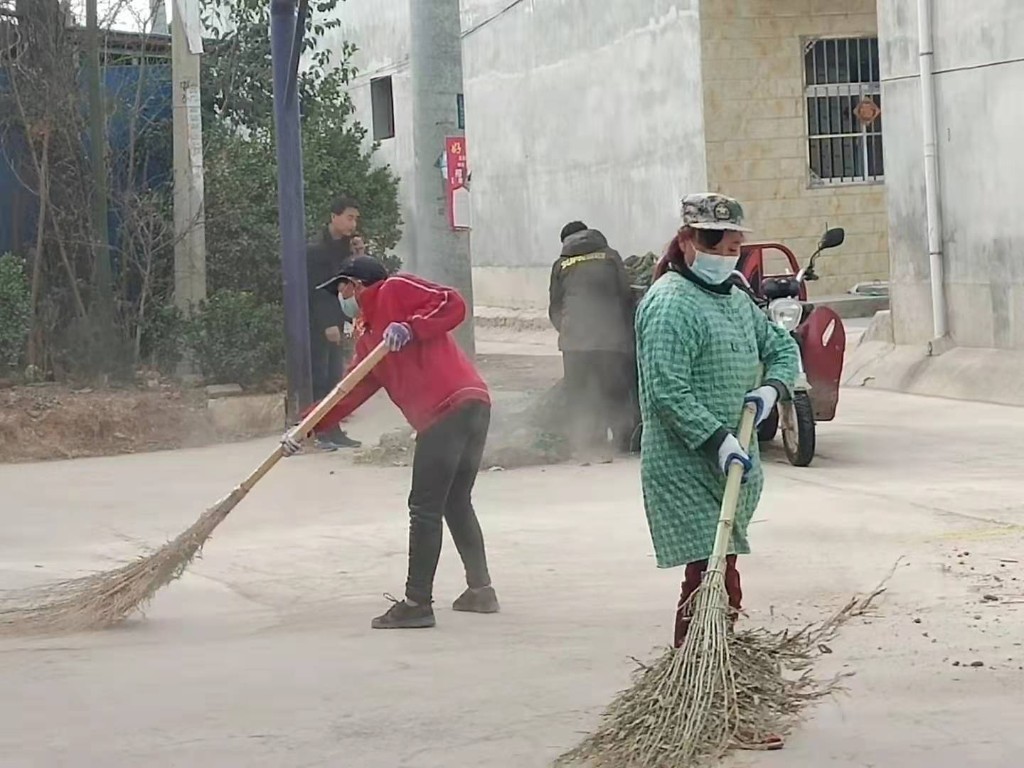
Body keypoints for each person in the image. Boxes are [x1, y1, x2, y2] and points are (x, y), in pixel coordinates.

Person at [633, 192, 798, 685]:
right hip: (685, 462)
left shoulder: (736, 298)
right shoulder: (669, 304)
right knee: (711, 578)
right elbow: (667, 390)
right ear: (686, 241)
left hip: (734, 461)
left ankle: (709, 670)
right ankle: (696, 676)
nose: (724, 257)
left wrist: (772, 389)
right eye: (714, 245)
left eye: (733, 248)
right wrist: (716, 440)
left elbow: (782, 347)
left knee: (719, 569)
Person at [281, 256, 499, 630]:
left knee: (424, 507)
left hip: (451, 406)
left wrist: (412, 327)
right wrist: (306, 427)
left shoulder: (394, 290)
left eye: (342, 288)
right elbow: (347, 392)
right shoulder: (370, 341)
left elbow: (452, 302)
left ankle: (417, 603)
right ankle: (480, 591)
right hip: (466, 408)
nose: (341, 297)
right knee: (454, 500)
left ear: (357, 284)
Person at [548, 220, 638, 460]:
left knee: (580, 393)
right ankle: (623, 442)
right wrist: (621, 329)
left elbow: (555, 305)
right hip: (611, 339)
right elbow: (625, 294)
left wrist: (567, 330)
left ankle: (586, 444)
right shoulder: (610, 256)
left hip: (574, 342)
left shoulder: (561, 264)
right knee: (615, 391)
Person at [305, 194, 363, 450]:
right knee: (320, 376)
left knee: (335, 377)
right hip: (319, 322)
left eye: (355, 219)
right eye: (349, 218)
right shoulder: (317, 249)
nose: (353, 224)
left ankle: (333, 428)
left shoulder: (345, 247)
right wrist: (328, 323)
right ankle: (317, 430)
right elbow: (319, 290)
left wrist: (359, 255)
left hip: (339, 319)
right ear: (334, 217)